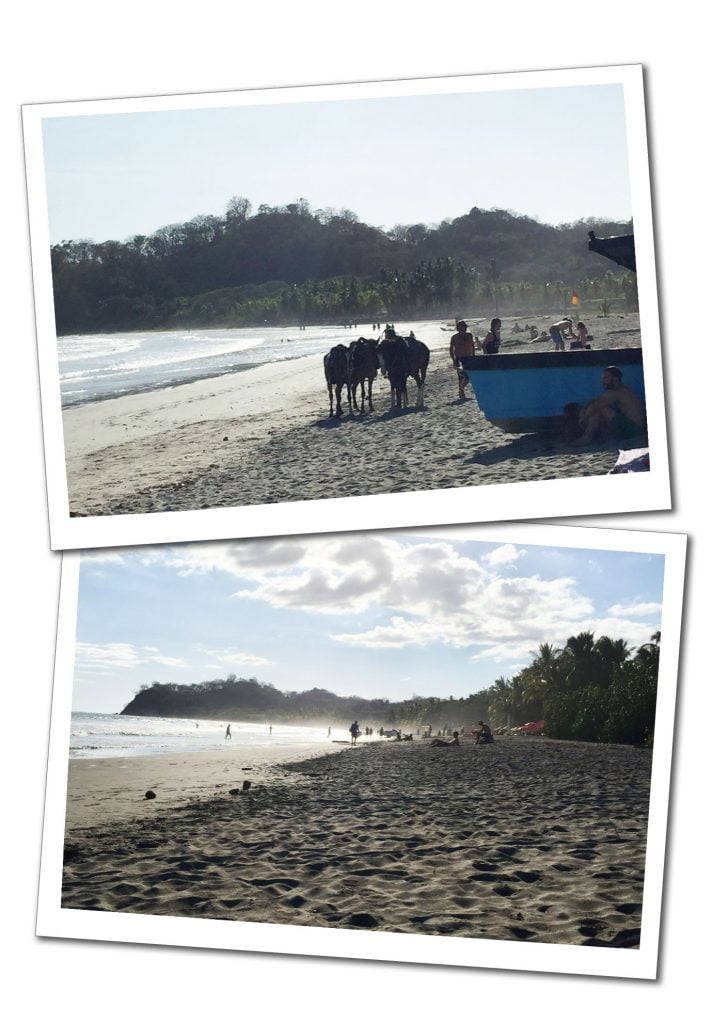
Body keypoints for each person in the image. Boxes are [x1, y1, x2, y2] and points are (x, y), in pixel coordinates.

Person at [576, 366, 646, 444]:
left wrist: (583, 417)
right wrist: (584, 409)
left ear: (615, 379)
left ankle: (586, 438)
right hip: (635, 428)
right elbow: (596, 400)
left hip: (633, 430)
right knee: (600, 410)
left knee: (601, 409)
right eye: (602, 378)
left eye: (606, 377)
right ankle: (599, 438)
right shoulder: (620, 390)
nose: (602, 381)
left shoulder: (617, 392)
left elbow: (594, 407)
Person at [449, 319, 476, 399]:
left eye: (463, 328)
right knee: (461, 376)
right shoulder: (454, 337)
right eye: (460, 328)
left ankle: (461, 389)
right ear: (457, 329)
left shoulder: (469, 335)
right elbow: (451, 349)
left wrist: (473, 356)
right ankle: (461, 391)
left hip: (468, 358)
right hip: (459, 359)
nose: (462, 330)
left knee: (469, 376)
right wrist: (453, 360)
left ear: (465, 328)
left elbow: (472, 346)